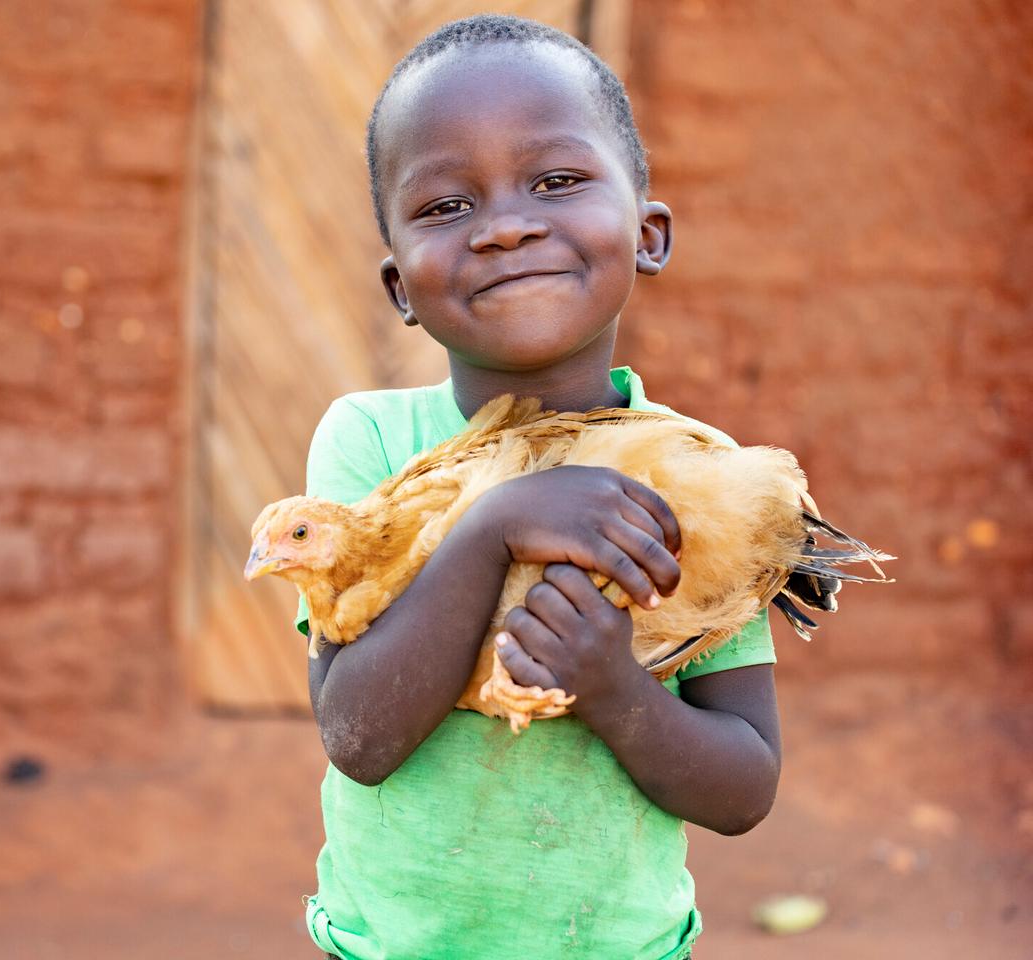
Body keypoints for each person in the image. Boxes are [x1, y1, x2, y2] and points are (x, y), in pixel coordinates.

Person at [293, 15, 780, 960]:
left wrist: (612, 687)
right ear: (401, 288)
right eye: (446, 205)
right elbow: (359, 737)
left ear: (647, 234)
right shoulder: (370, 443)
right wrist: (494, 527)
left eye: (556, 181)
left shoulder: (696, 474)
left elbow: (744, 788)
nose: (506, 226)